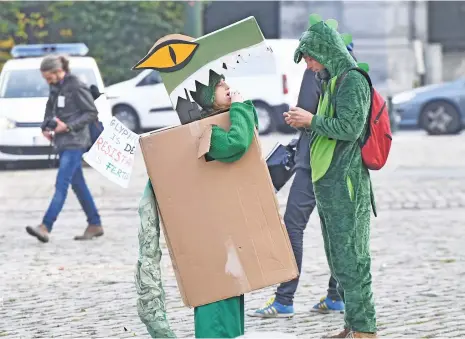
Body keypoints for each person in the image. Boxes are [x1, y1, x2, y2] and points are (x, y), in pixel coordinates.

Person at [249, 42, 358, 319]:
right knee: (336, 230)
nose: (307, 63)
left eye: (309, 57)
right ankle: (337, 296)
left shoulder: (317, 72)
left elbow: (307, 111)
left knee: (292, 227)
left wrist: (299, 119)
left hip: (313, 163)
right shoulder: (353, 73)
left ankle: (285, 299)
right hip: (342, 164)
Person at [284, 19, 377, 338]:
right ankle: (352, 325)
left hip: (346, 186)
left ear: (324, 51)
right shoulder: (331, 80)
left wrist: (312, 119)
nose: (308, 65)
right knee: (339, 261)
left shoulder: (353, 80)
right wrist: (306, 123)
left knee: (353, 260)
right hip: (329, 184)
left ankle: (365, 329)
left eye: (309, 57)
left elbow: (350, 129)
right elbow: (329, 125)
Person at [189, 70, 258, 338]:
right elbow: (237, 143)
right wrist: (240, 107)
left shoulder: (220, 120)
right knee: (219, 295)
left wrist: (242, 107)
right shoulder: (206, 130)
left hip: (226, 225)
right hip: (213, 230)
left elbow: (249, 134)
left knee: (231, 291)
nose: (227, 86)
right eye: (219, 85)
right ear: (207, 96)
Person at [26, 55, 103, 243]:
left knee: (62, 184)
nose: (47, 81)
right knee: (78, 185)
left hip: (75, 142)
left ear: (57, 71)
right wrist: (45, 127)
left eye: (48, 77)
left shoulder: (76, 85)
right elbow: (49, 110)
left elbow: (91, 112)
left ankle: (46, 226)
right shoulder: (55, 87)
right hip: (62, 142)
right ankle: (95, 224)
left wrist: (68, 127)